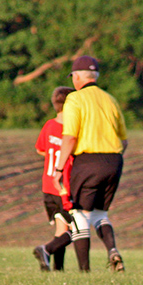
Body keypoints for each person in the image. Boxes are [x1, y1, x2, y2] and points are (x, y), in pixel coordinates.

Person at [53, 55, 128, 272]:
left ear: (77, 77)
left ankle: (84, 270)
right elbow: (124, 140)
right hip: (114, 160)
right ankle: (112, 249)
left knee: (79, 213)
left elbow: (70, 138)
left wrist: (59, 168)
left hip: (88, 161)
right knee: (99, 214)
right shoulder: (110, 99)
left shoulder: (75, 99)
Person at [33, 86, 75, 272]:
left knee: (61, 230)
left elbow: (40, 149)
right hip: (63, 186)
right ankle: (46, 250)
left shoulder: (49, 125)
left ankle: (58, 269)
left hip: (47, 186)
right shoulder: (70, 130)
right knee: (77, 230)